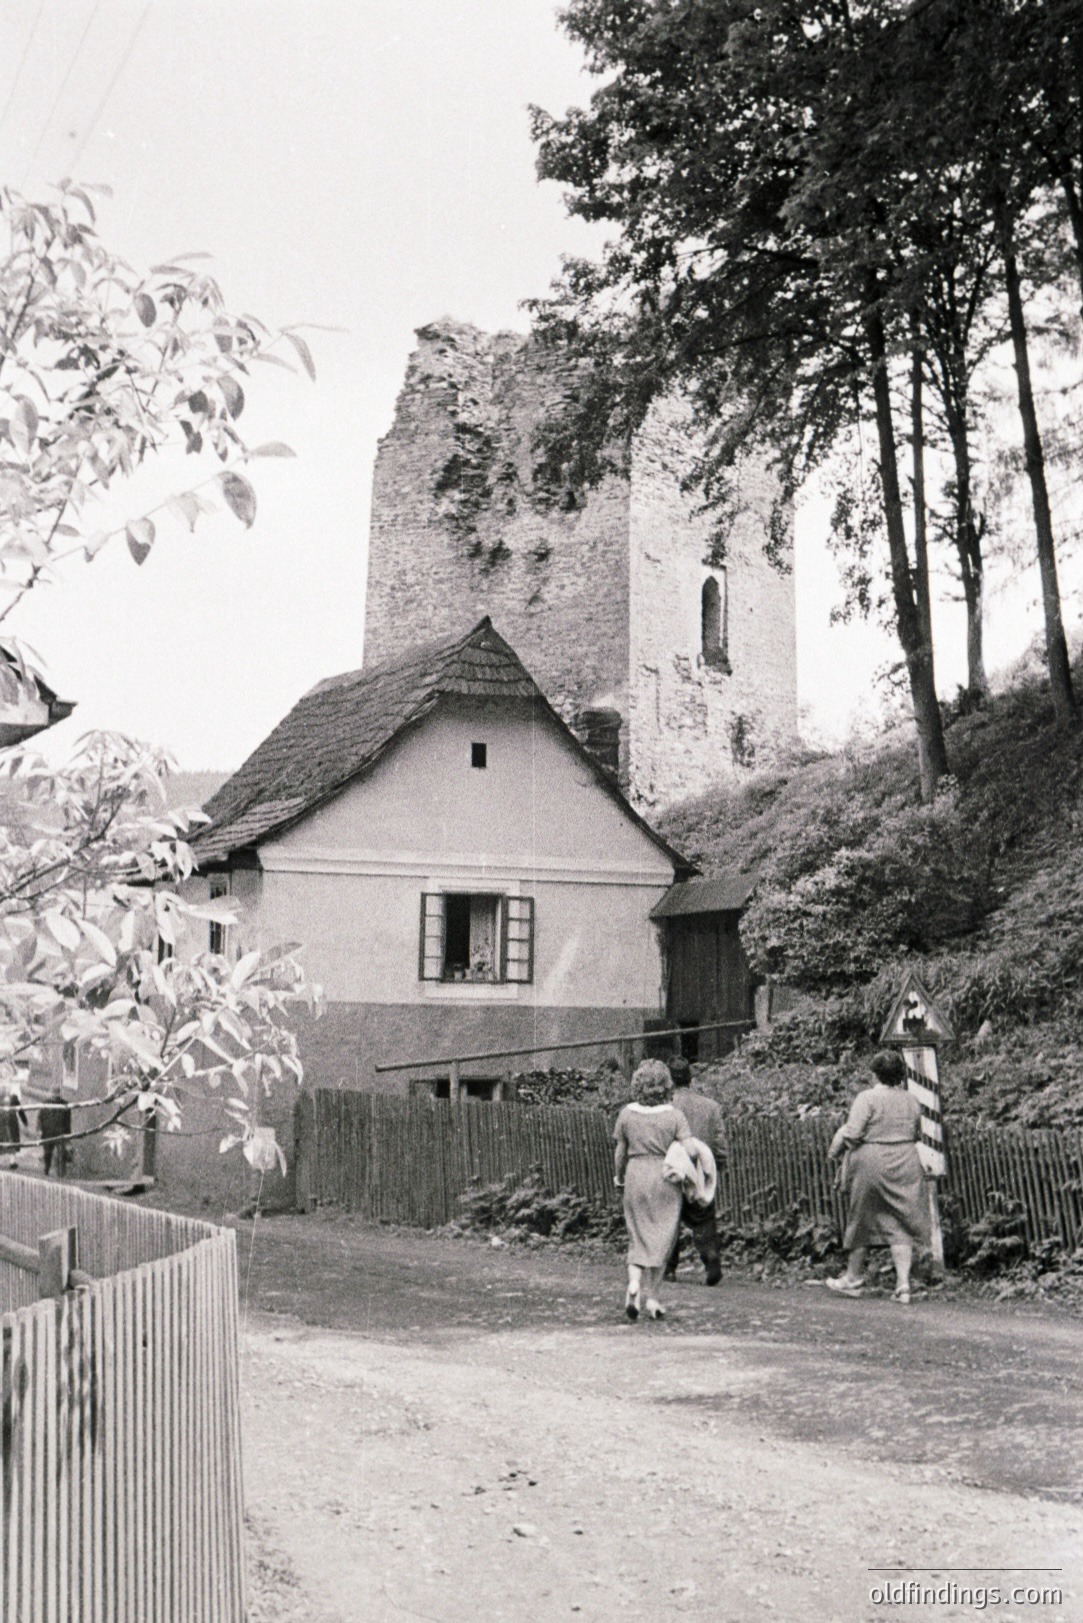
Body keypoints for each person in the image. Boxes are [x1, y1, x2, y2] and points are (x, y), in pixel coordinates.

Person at [826, 1049, 929, 1304]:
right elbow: (917, 1132)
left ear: (875, 1073)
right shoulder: (912, 1100)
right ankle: (903, 1285)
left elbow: (853, 1134)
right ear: (900, 1075)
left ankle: (852, 1278)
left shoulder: (867, 1098)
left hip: (872, 1162)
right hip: (906, 1160)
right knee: (901, 1220)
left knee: (862, 1217)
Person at [613, 1059, 693, 1321]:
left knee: (637, 1236)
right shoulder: (675, 1116)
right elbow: (689, 1149)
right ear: (665, 1085)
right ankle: (654, 1299)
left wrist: (619, 1177)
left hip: (636, 1174)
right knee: (662, 1237)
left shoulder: (626, 1114)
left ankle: (633, 1284)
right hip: (664, 1178)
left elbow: (620, 1152)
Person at [664, 1055, 726, 1287]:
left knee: (670, 1217)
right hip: (700, 1169)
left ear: (669, 1082)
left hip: (672, 1169)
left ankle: (669, 1268)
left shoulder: (665, 1108)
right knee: (704, 1217)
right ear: (691, 1079)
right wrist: (718, 1164)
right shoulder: (711, 1107)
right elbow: (719, 1144)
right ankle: (711, 1259)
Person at [38, 1092, 73, 1178]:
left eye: (56, 1094)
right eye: (53, 1093)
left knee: (61, 1153)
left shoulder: (65, 1104)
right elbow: (40, 1117)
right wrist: (39, 1129)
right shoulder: (45, 1103)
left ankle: (61, 1174)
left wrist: (68, 1135)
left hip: (60, 1132)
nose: (55, 1095)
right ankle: (46, 1169)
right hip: (48, 1132)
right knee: (47, 1153)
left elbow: (68, 1120)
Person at [0, 1089, 28, 1170]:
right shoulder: (14, 1098)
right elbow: (20, 1111)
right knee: (13, 1139)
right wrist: (25, 1123)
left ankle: (11, 1162)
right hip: (11, 1120)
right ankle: (12, 1162)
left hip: (1, 1119)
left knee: (3, 1138)